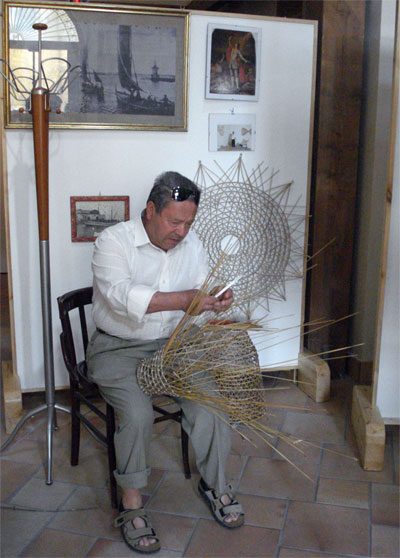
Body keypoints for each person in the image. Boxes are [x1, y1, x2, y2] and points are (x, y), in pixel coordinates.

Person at [86, 171, 244, 554]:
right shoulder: (113, 241)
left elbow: (202, 290)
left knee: (211, 404)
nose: (181, 232)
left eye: (189, 223)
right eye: (174, 221)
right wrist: (186, 299)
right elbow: (120, 295)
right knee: (137, 415)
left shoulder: (192, 245)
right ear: (151, 210)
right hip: (117, 348)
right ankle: (131, 505)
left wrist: (217, 297)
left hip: (176, 347)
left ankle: (215, 485)